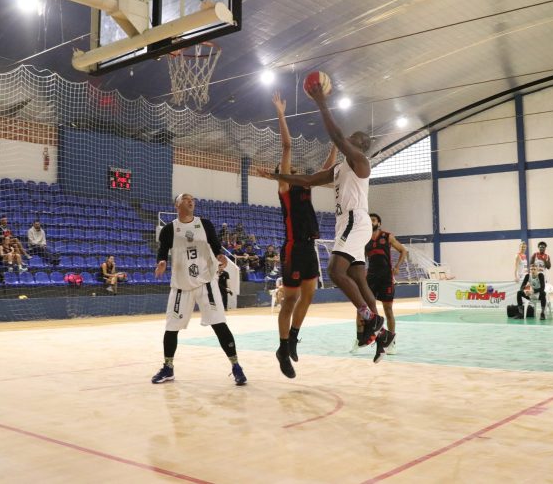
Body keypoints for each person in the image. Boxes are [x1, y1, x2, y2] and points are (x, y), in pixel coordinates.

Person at [263, 82, 391, 363]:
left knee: (334, 270)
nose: (348, 138)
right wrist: (277, 177)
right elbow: (309, 179)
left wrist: (321, 101)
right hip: (345, 223)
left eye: (353, 138)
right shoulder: (340, 168)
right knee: (357, 276)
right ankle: (380, 333)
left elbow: (335, 138)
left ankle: (369, 318)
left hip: (354, 219)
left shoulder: (359, 160)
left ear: (360, 146)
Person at [266, 91, 337, 378]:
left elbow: (326, 170)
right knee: (290, 300)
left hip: (309, 247)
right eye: (288, 168)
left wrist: (335, 143)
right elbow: (286, 146)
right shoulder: (284, 189)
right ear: (282, 174)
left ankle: (293, 339)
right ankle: (282, 347)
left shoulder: (305, 185)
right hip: (293, 248)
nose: (292, 168)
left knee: (309, 296)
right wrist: (282, 113)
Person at [151, 193, 247, 386]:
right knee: (171, 328)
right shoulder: (169, 229)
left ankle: (236, 366)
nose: (191, 200)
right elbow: (162, 251)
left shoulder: (205, 224)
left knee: (219, 324)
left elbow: (216, 246)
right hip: (181, 285)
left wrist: (220, 256)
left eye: (192, 198)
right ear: (178, 205)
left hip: (206, 282)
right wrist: (161, 262)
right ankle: (168, 368)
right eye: (186, 198)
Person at [359, 213, 407, 354]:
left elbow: (403, 250)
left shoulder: (387, 236)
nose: (371, 222)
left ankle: (391, 341)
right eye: (369, 220)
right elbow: (361, 259)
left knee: (388, 310)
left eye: (373, 220)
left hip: (386, 277)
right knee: (363, 309)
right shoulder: (365, 240)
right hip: (371, 278)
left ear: (378, 223)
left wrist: (397, 266)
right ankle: (360, 338)